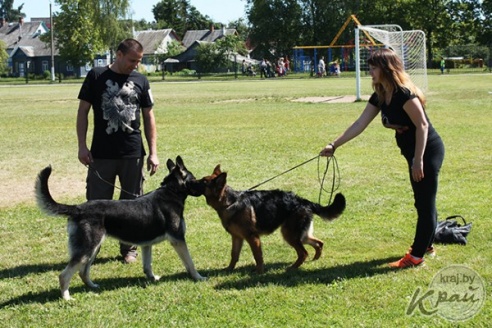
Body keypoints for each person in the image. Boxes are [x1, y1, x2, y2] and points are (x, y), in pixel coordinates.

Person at [320, 48, 445, 269]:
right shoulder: (381, 94)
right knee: (422, 201)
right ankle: (426, 244)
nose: (370, 72)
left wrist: (418, 160)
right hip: (412, 152)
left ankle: (416, 257)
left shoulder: (403, 94)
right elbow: (360, 123)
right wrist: (334, 144)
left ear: (387, 69)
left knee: (425, 204)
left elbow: (422, 125)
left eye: (373, 67)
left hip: (426, 151)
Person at [76, 38, 160, 264]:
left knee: (133, 204)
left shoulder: (141, 80)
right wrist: (82, 146)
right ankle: (89, 249)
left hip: (132, 153)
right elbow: (83, 111)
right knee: (96, 203)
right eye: (132, 60)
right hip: (101, 153)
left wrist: (153, 152)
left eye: (139, 61)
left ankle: (129, 249)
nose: (136, 65)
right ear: (119, 54)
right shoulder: (96, 76)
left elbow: (148, 116)